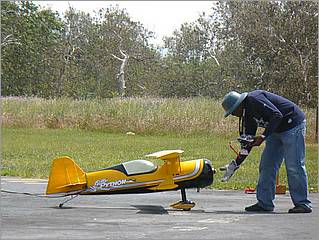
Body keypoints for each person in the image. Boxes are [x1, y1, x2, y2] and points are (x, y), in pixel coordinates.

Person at [220, 90, 312, 213]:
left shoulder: (255, 99)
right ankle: (265, 203)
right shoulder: (247, 116)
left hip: (292, 125)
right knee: (267, 166)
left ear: (239, 104)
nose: (233, 115)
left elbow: (277, 115)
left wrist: (263, 137)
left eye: (233, 111)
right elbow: (248, 144)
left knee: (294, 166)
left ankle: (303, 204)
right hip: (275, 131)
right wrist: (235, 164)